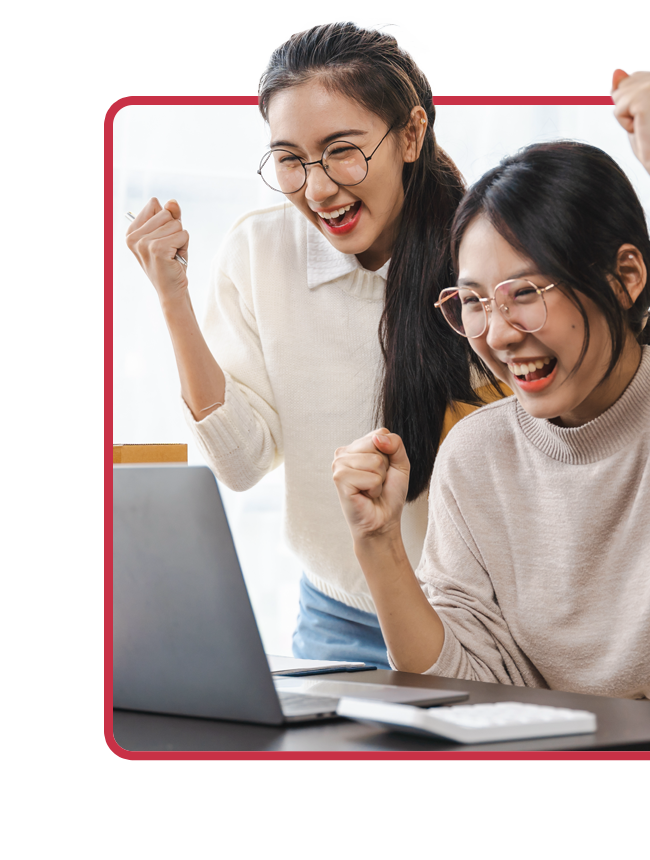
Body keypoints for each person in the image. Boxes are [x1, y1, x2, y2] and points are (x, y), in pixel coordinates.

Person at [333, 69, 650, 825]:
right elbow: (466, 680)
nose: (498, 335)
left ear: (626, 275)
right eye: (473, 301)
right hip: (571, 776)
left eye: (527, 293)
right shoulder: (479, 454)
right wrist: (377, 546)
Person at [125, 21, 501, 669]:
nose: (318, 188)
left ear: (411, 135)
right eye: (291, 160)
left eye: (342, 151)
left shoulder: (484, 257)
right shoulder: (258, 251)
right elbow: (242, 464)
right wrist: (172, 297)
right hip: (335, 615)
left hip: (478, 618)